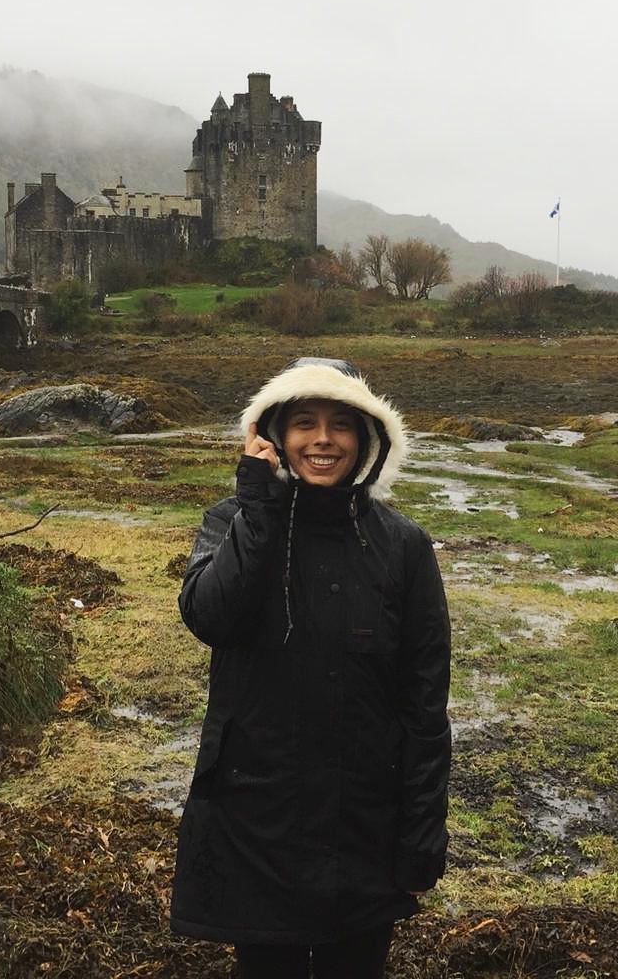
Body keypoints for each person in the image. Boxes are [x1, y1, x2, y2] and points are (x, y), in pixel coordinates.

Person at [172, 357, 452, 978]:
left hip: (365, 826)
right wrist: (258, 505)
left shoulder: (404, 546)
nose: (323, 440)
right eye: (304, 422)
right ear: (274, 434)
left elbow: (424, 705)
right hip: (257, 820)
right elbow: (210, 618)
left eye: (340, 425)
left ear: (367, 439)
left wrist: (422, 833)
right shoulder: (232, 520)